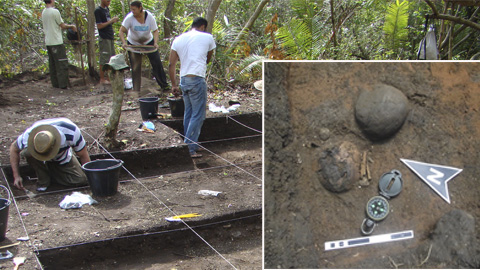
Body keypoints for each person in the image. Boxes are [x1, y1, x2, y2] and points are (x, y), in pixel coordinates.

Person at [168, 17, 216, 158]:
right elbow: (208, 58)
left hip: (184, 79)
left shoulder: (178, 39)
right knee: (198, 115)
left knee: (188, 113)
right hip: (196, 79)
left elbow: (171, 65)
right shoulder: (207, 37)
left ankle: (192, 144)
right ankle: (189, 148)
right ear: (203, 26)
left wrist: (174, 85)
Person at [9, 118, 91, 191]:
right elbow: (14, 148)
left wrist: (91, 178)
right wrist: (16, 176)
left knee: (80, 180)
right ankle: (43, 179)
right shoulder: (29, 136)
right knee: (27, 153)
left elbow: (83, 155)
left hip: (62, 158)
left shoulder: (71, 132)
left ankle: (53, 172)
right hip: (38, 160)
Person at [119, 1, 169, 92]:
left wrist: (155, 42)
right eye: (131, 9)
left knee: (157, 62)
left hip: (148, 42)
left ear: (140, 8)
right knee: (135, 67)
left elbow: (155, 31)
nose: (132, 11)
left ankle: (164, 85)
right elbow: (121, 31)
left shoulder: (149, 16)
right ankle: (136, 89)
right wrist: (124, 43)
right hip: (133, 43)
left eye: (134, 9)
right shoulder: (129, 18)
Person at [42, 0, 77, 89]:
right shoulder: (55, 12)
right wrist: (72, 26)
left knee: (53, 63)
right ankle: (63, 85)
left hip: (49, 42)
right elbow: (62, 26)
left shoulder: (44, 12)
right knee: (61, 62)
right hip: (56, 42)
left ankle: (55, 84)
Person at [95, 0, 119, 84]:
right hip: (104, 37)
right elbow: (99, 26)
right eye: (107, 0)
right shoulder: (98, 11)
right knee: (104, 58)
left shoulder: (106, 9)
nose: (109, 1)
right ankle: (102, 79)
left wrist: (112, 21)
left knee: (111, 58)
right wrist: (111, 21)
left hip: (110, 36)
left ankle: (109, 78)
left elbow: (107, 23)